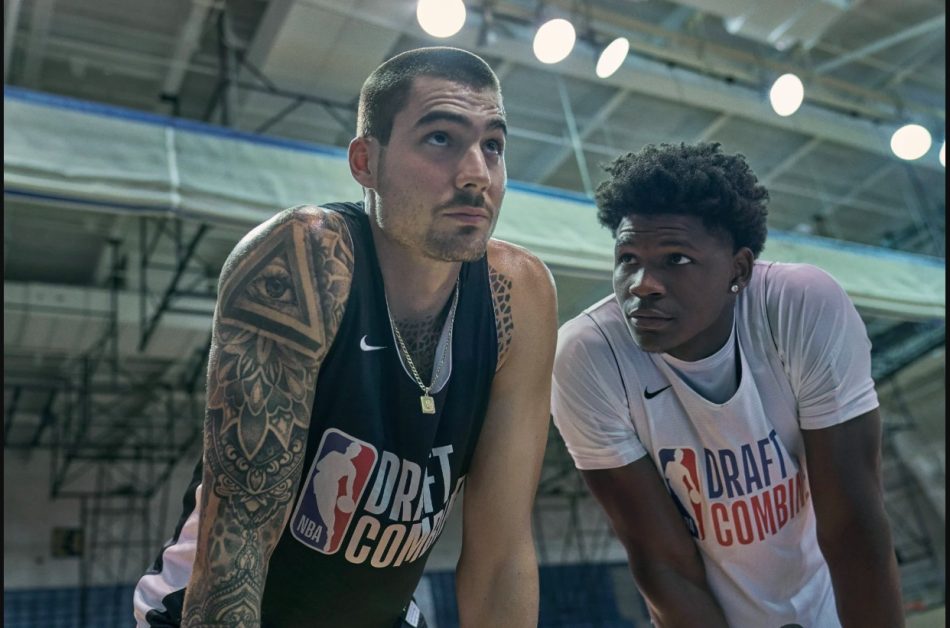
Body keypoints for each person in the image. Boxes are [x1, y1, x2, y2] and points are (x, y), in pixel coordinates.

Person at [133, 46, 557, 628]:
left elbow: (501, 556)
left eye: (493, 145)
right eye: (440, 139)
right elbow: (240, 545)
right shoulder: (303, 260)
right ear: (365, 161)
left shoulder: (519, 295)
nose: (476, 174)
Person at [551, 142, 904, 627]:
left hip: (827, 606)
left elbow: (852, 527)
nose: (642, 283)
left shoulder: (798, 305)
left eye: (675, 258)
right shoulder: (588, 356)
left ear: (738, 270)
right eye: (628, 257)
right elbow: (661, 561)